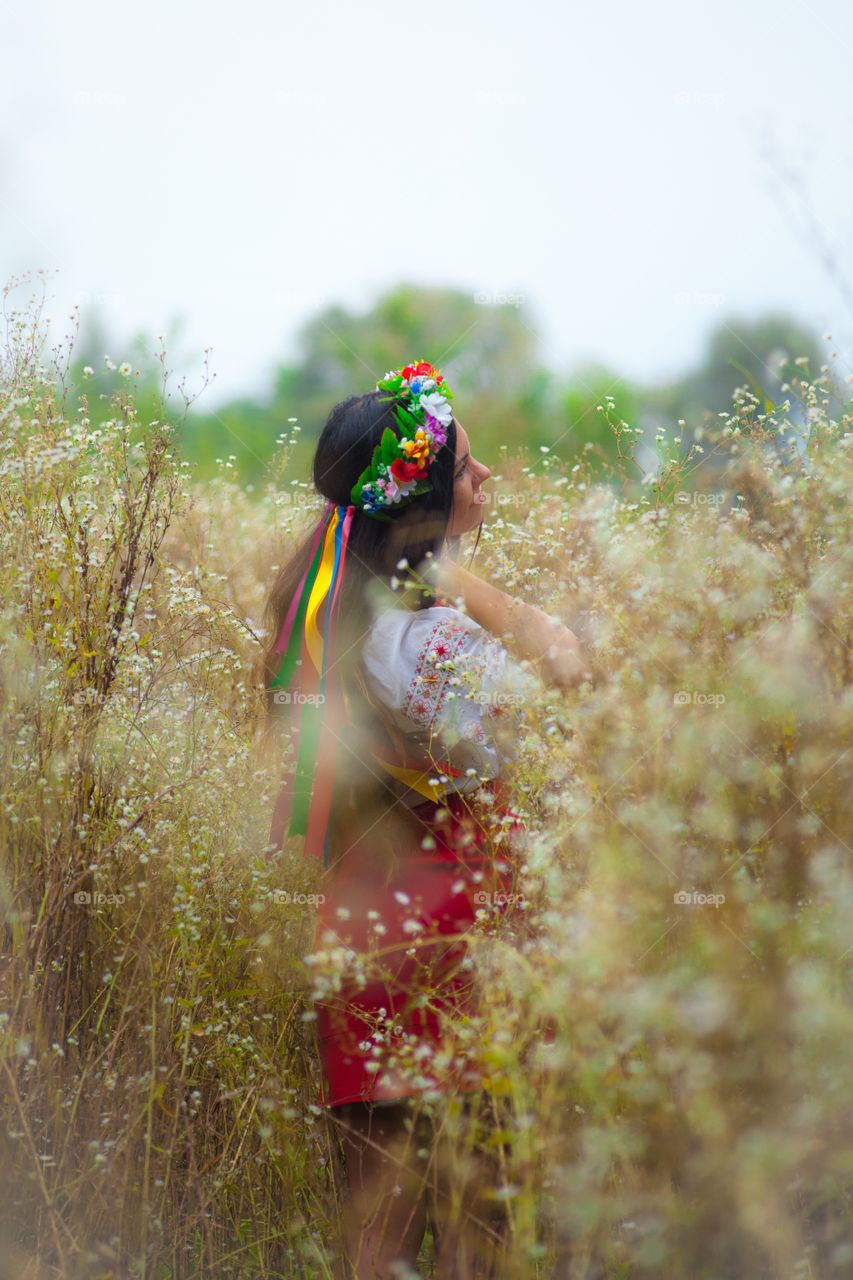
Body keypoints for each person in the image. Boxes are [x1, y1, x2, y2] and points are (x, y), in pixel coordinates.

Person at [257, 361, 594, 1278]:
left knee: (375, 1232)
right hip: (453, 930)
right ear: (425, 504)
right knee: (479, 1226)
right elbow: (565, 668)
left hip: (361, 927)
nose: (489, 480)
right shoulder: (428, 637)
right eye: (470, 469)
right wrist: (465, 582)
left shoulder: (342, 620)